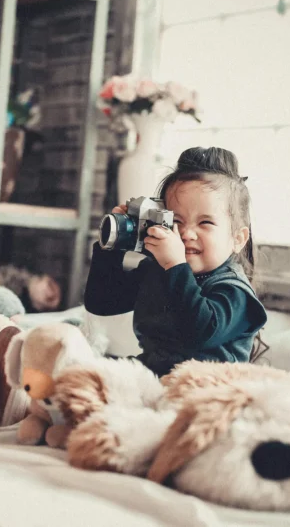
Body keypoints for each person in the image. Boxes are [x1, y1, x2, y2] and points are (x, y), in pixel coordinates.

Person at [84, 146, 268, 377]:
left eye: (205, 223)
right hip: (155, 374)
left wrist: (175, 267)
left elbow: (199, 332)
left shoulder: (234, 292)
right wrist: (112, 247)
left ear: (237, 239)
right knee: (83, 379)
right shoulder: (159, 271)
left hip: (208, 386)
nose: (187, 233)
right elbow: (101, 302)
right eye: (176, 221)